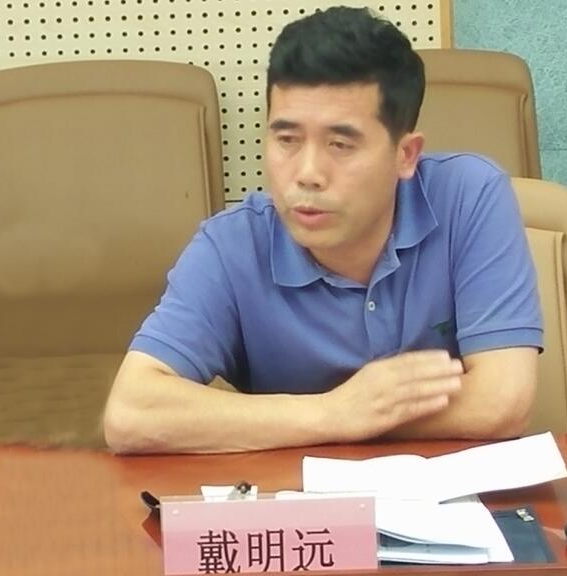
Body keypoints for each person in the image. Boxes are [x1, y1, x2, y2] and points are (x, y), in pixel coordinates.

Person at [103, 6, 542, 454]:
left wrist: (365, 417)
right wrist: (335, 412)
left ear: (406, 155)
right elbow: (131, 414)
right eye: (287, 140)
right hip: (298, 495)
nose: (307, 174)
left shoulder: (469, 196)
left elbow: (502, 401)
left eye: (340, 144)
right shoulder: (232, 246)